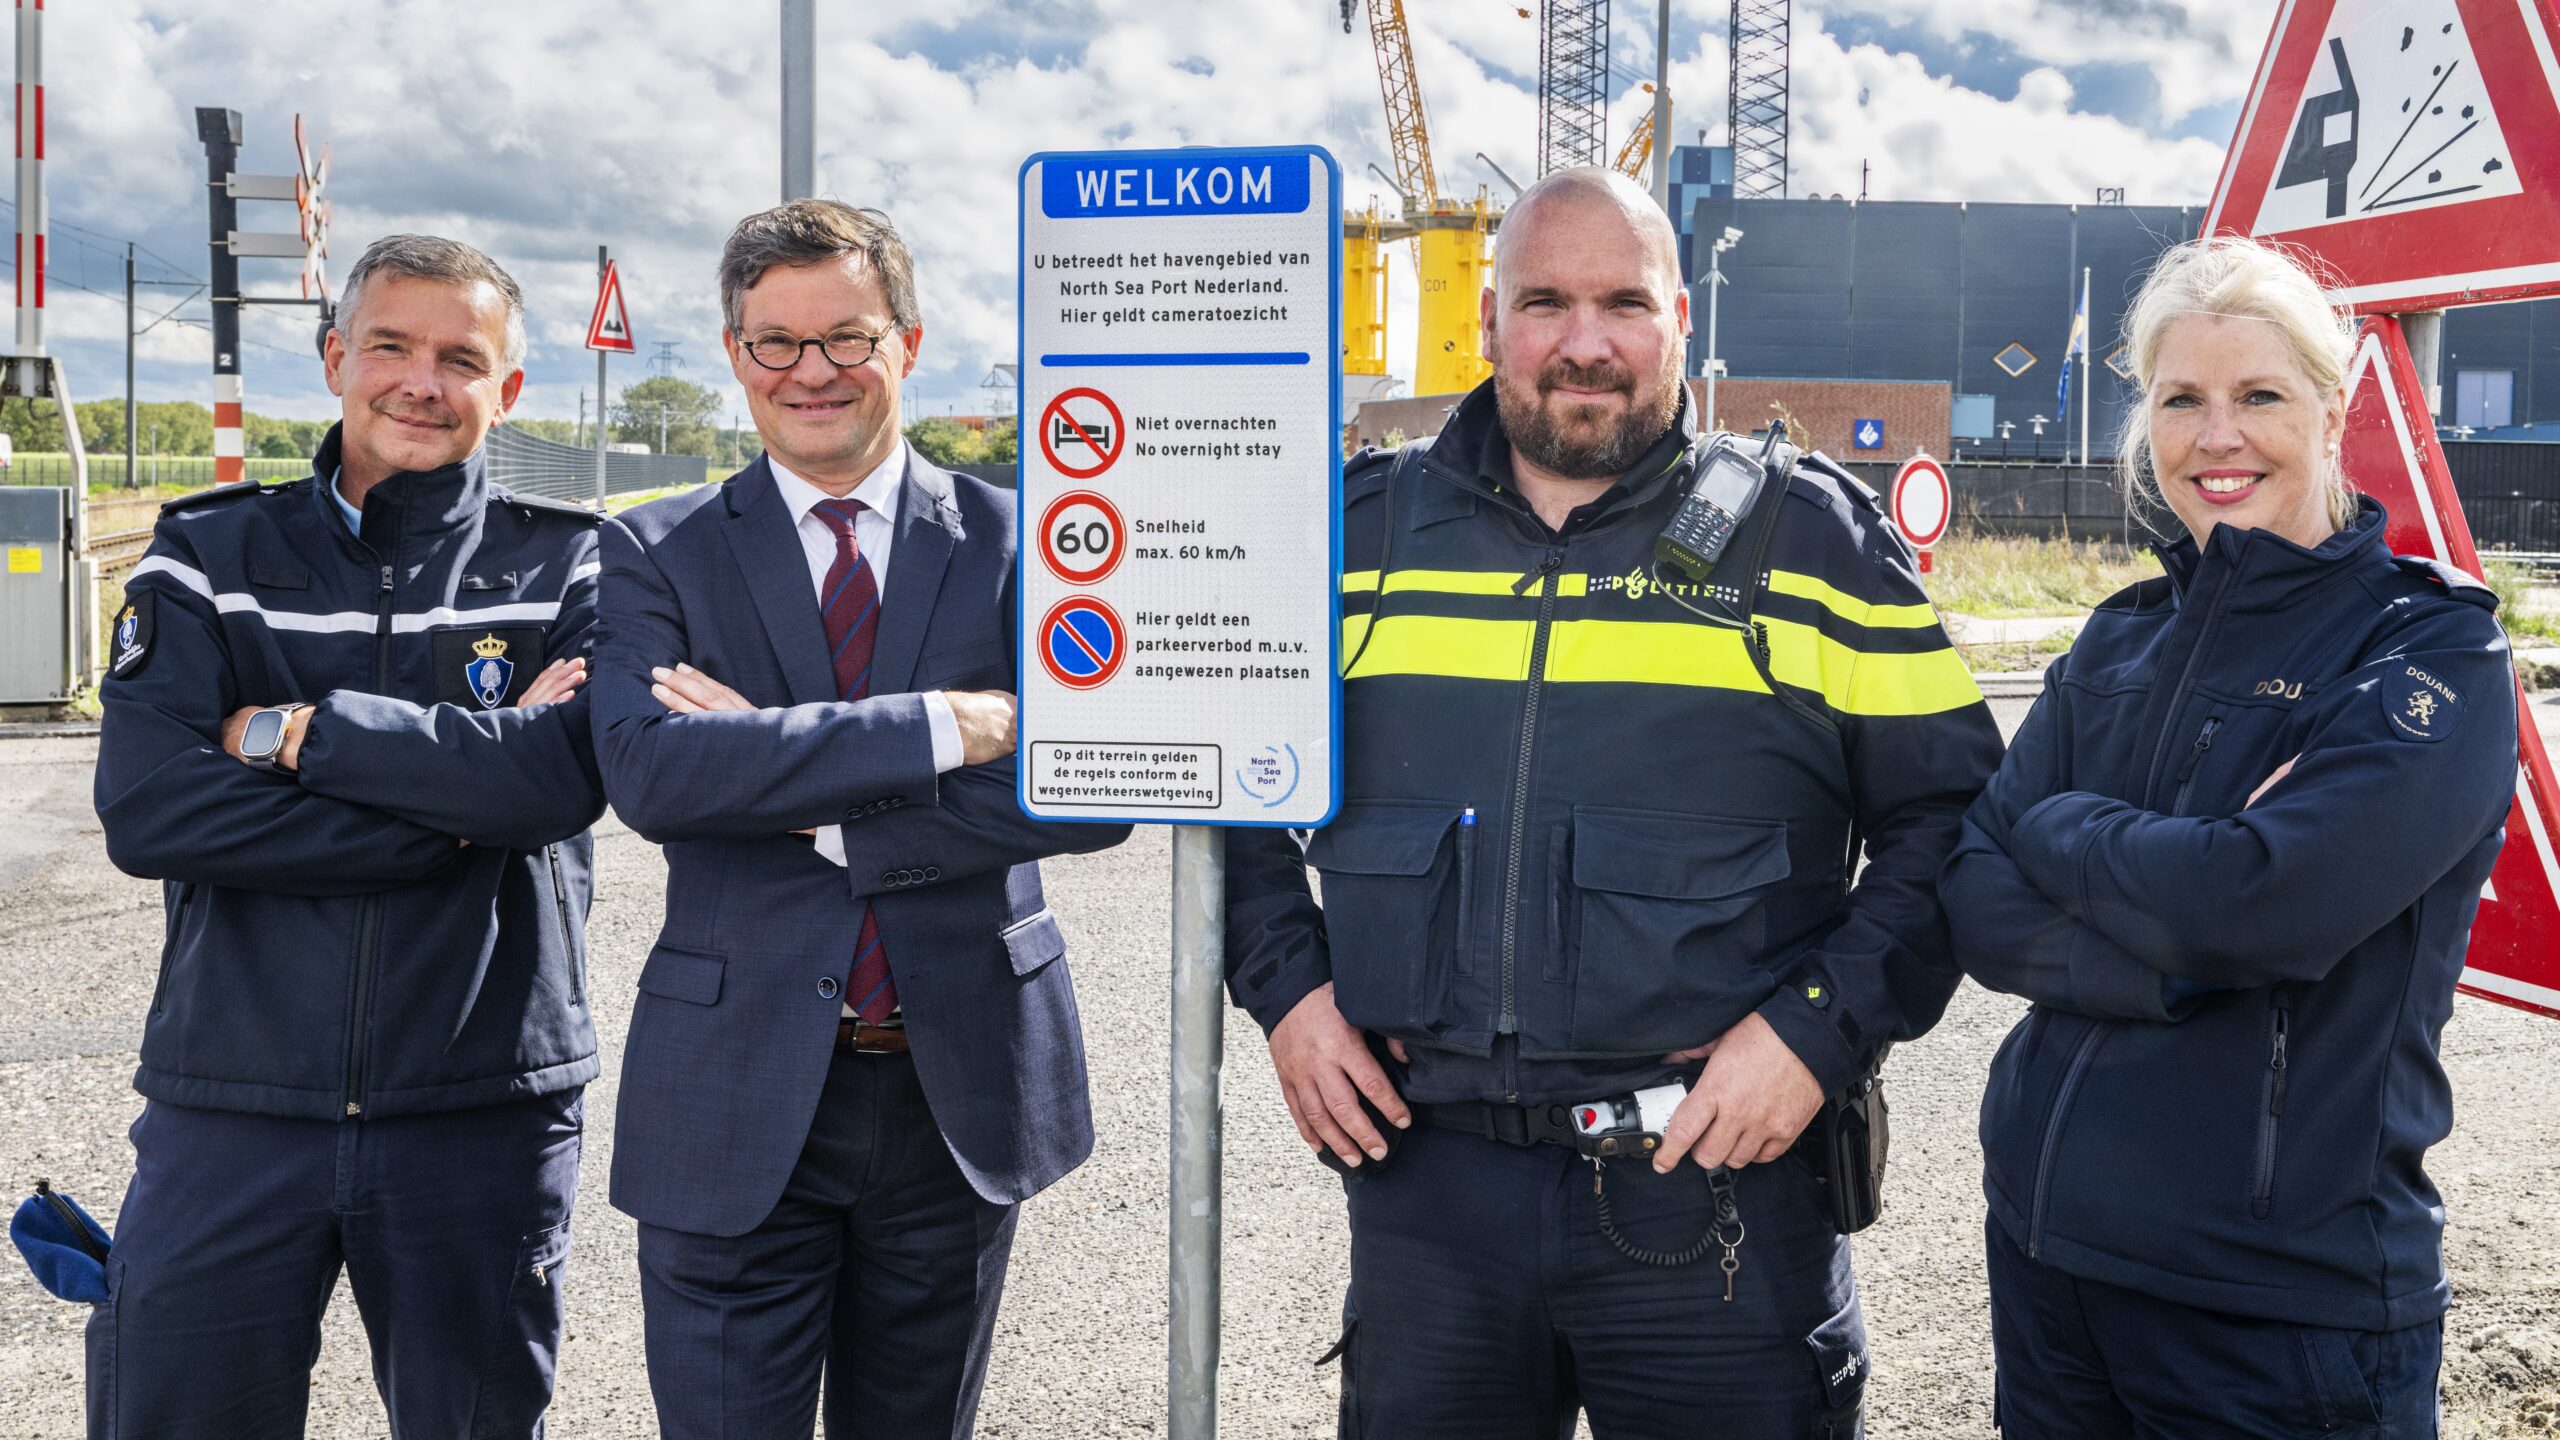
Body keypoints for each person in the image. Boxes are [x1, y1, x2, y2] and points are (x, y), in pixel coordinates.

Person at [1222, 166, 2003, 1438]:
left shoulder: (1813, 544)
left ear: (1679, 319)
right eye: (1545, 302)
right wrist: (1288, 993)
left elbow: (1955, 823)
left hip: (1715, 1193)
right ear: (1488, 320)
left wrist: (1814, 1033)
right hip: (1431, 1198)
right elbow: (1228, 774)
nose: (1584, 344)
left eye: (1622, 304)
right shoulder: (1353, 535)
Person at [1941, 235, 2520, 1438]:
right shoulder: (2116, 640)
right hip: (2049, 1271)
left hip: (2277, 1321)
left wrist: (2065, 828)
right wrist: (2170, 965)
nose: (2218, 438)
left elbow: (2261, 903)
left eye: (2258, 395)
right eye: (2180, 400)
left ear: (2333, 399)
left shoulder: (2427, 654)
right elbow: (1977, 897)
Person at [589, 198, 1129, 1439]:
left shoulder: (1026, 540)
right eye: (775, 342)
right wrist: (955, 726)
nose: (811, 372)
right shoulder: (656, 550)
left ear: (909, 342)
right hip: (730, 1095)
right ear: (734, 354)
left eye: (847, 336)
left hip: (954, 1093)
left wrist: (800, 799)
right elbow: (654, 779)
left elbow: (1097, 787)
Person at [90, 234, 606, 1438]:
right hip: (235, 1101)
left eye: (460, 358)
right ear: (334, 358)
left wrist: (290, 732)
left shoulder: (570, 560)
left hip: (482, 1105)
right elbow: (151, 806)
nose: (421, 381)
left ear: (506, 389)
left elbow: (550, 785)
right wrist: (446, 823)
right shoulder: (213, 554)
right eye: (390, 346)